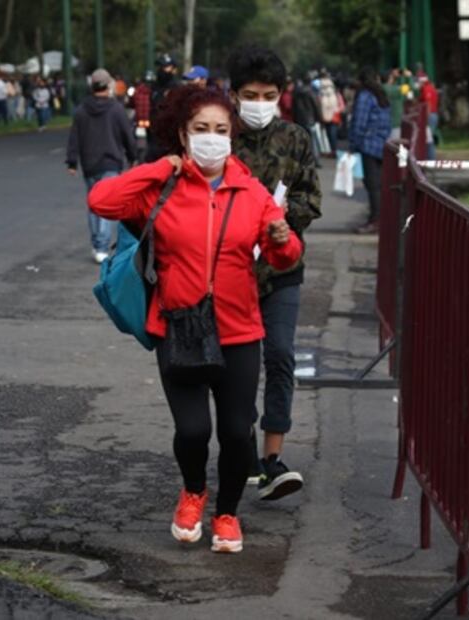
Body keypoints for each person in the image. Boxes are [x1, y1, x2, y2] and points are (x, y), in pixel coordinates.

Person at [87, 85, 303, 553]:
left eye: (221, 130)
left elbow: (285, 257)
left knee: (234, 433)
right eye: (201, 129)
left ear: (232, 135)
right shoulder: (160, 187)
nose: (212, 138)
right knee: (193, 431)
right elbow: (101, 201)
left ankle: (227, 514)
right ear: (183, 135)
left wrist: (282, 238)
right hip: (178, 326)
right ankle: (192, 492)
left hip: (239, 330)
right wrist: (160, 166)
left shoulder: (251, 191)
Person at [226, 46, 322, 501]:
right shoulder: (219, 137)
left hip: (283, 267)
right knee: (235, 368)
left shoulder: (297, 139)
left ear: (281, 95)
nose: (259, 102)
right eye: (250, 94)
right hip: (229, 273)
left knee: (280, 355)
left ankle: (273, 458)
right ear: (233, 94)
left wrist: (284, 219)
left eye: (267, 94)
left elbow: (311, 198)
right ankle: (241, 450)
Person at [65, 68, 137, 264]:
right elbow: (127, 135)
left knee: (93, 204)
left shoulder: (81, 110)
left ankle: (98, 243)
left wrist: (72, 161)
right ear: (108, 85)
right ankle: (102, 245)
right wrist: (133, 156)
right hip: (111, 161)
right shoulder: (116, 109)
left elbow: (75, 138)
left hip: (90, 163)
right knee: (106, 204)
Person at [349, 67, 392, 235]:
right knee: (379, 184)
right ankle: (379, 218)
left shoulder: (365, 95)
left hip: (368, 144)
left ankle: (375, 220)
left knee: (372, 184)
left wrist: (354, 143)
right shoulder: (380, 95)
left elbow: (360, 120)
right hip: (381, 143)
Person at [418, 72, 439, 160]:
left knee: (429, 138)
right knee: (428, 138)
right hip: (432, 115)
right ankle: (429, 158)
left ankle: (431, 159)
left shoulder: (427, 89)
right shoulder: (429, 88)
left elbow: (428, 104)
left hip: (430, 115)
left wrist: (426, 117)